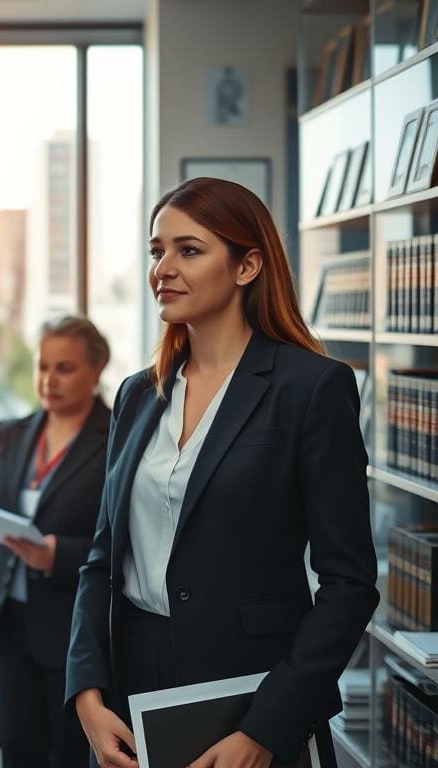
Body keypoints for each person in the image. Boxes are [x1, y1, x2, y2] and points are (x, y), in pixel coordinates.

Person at [66, 177, 379, 768]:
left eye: (189, 249)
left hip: (254, 693)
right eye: (157, 250)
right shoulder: (138, 395)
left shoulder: (311, 388)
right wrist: (87, 692)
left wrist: (265, 729)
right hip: (132, 685)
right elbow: (100, 559)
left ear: (247, 266)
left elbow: (349, 584)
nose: (163, 267)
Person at [0, 316, 111, 768]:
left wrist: (57, 556)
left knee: (67, 751)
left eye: (65, 368)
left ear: (97, 370)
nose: (49, 380)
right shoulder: (9, 434)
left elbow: (126, 547)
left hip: (72, 629)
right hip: (6, 623)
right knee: (15, 744)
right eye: (43, 367)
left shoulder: (116, 440)